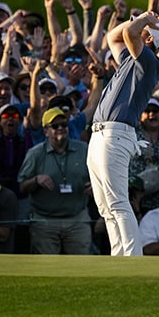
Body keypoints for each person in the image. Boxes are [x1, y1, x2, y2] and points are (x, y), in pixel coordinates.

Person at [87, 0, 159, 256]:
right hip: (100, 134)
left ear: (151, 40)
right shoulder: (128, 61)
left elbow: (130, 34)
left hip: (116, 134)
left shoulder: (150, 63)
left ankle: (132, 259)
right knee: (105, 206)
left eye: (143, 32)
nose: (135, 31)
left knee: (118, 202)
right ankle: (119, 256)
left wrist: (143, 19)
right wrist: (139, 19)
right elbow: (113, 36)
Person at [18, 107, 92, 254]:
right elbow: (22, 187)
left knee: (82, 267)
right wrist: (36, 180)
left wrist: (97, 185)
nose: (60, 128)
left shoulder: (84, 150)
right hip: (45, 221)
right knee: (46, 269)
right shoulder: (35, 154)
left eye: (64, 125)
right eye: (55, 126)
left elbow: (100, 176)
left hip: (77, 219)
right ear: (45, 131)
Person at [129, 98, 159, 214]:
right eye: (146, 110)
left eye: (155, 111)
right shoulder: (132, 132)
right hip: (137, 199)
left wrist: (157, 95)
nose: (151, 114)